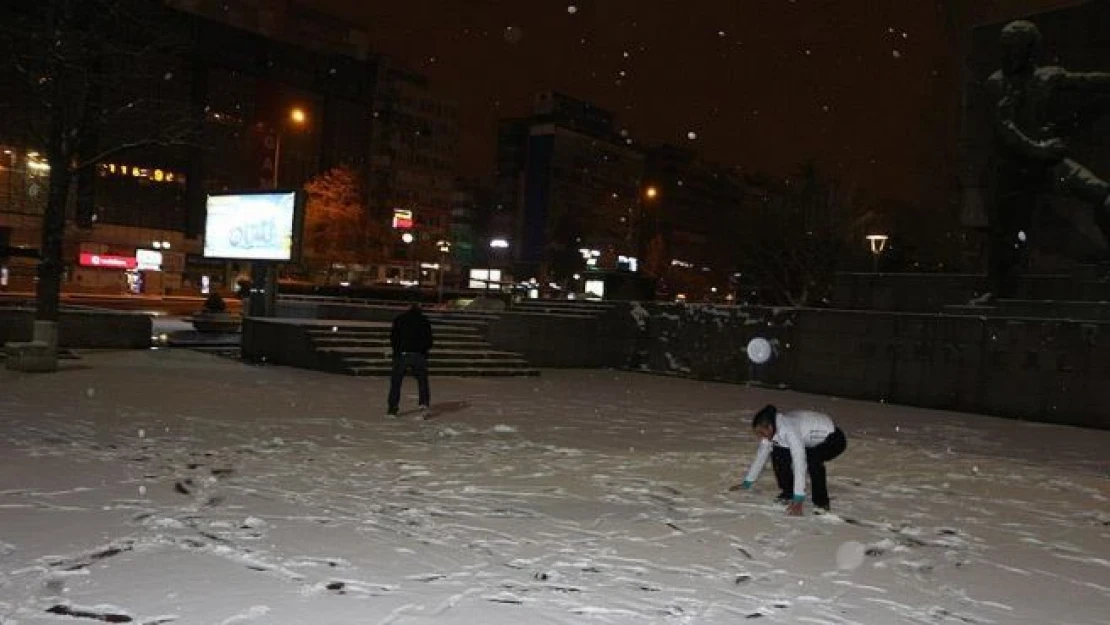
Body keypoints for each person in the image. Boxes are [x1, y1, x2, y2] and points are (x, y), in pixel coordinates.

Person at [978, 20, 1110, 302]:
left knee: (1104, 196)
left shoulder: (1048, 77)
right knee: (1004, 228)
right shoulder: (996, 85)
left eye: (1019, 48)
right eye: (1008, 49)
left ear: (1032, 50)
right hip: (1016, 169)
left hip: (1049, 164)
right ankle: (999, 291)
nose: (1013, 55)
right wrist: (1040, 149)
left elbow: (1088, 82)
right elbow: (1005, 129)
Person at [730, 404, 847, 515]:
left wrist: (798, 500)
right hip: (809, 441)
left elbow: (799, 464)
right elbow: (761, 455)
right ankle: (788, 492)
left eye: (761, 432)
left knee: (812, 461)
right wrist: (747, 482)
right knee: (778, 454)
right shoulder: (772, 429)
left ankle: (822, 503)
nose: (761, 436)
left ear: (770, 427)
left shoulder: (790, 432)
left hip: (834, 439)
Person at [386, 301, 434, 417]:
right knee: (422, 381)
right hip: (418, 354)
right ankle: (424, 403)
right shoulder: (424, 321)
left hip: (402, 354)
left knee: (396, 382)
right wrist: (424, 351)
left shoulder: (400, 319)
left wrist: (397, 351)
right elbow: (429, 339)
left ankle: (393, 407)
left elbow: (394, 337)